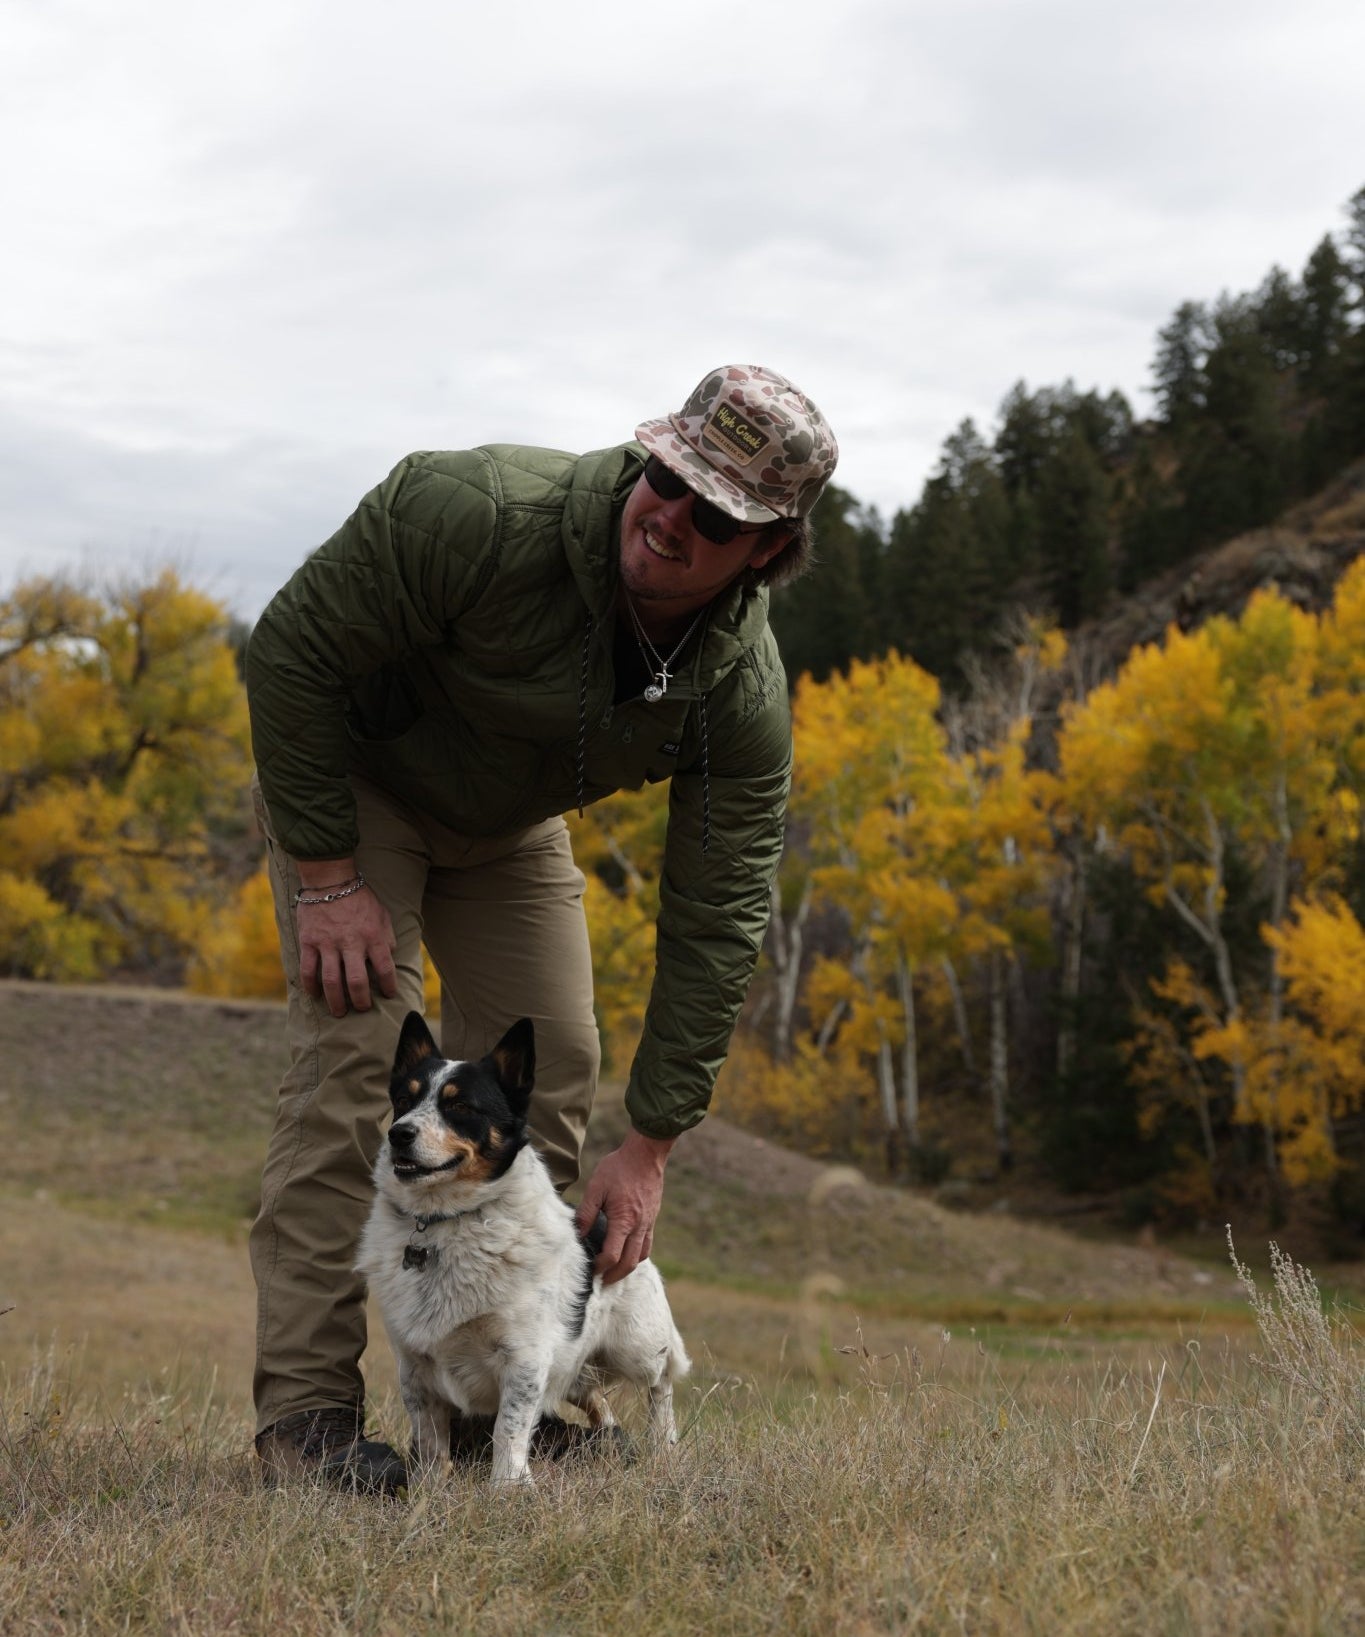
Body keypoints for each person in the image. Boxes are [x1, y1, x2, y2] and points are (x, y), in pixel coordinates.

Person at [245, 364, 839, 1491]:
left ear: (766, 550)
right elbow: (289, 654)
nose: (672, 516)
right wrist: (325, 876)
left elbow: (717, 917)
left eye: (716, 516)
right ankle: (305, 1419)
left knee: (552, 1060)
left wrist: (651, 1144)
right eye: (667, 476)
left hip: (508, 827)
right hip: (358, 792)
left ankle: (491, 1410)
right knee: (361, 1059)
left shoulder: (738, 691)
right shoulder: (470, 514)